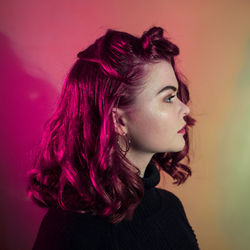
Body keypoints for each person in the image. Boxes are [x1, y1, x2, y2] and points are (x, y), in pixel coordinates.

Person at [27, 26, 200, 249]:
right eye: (168, 98)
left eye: (177, 96)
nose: (185, 109)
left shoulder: (171, 207)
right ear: (117, 120)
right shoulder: (70, 231)